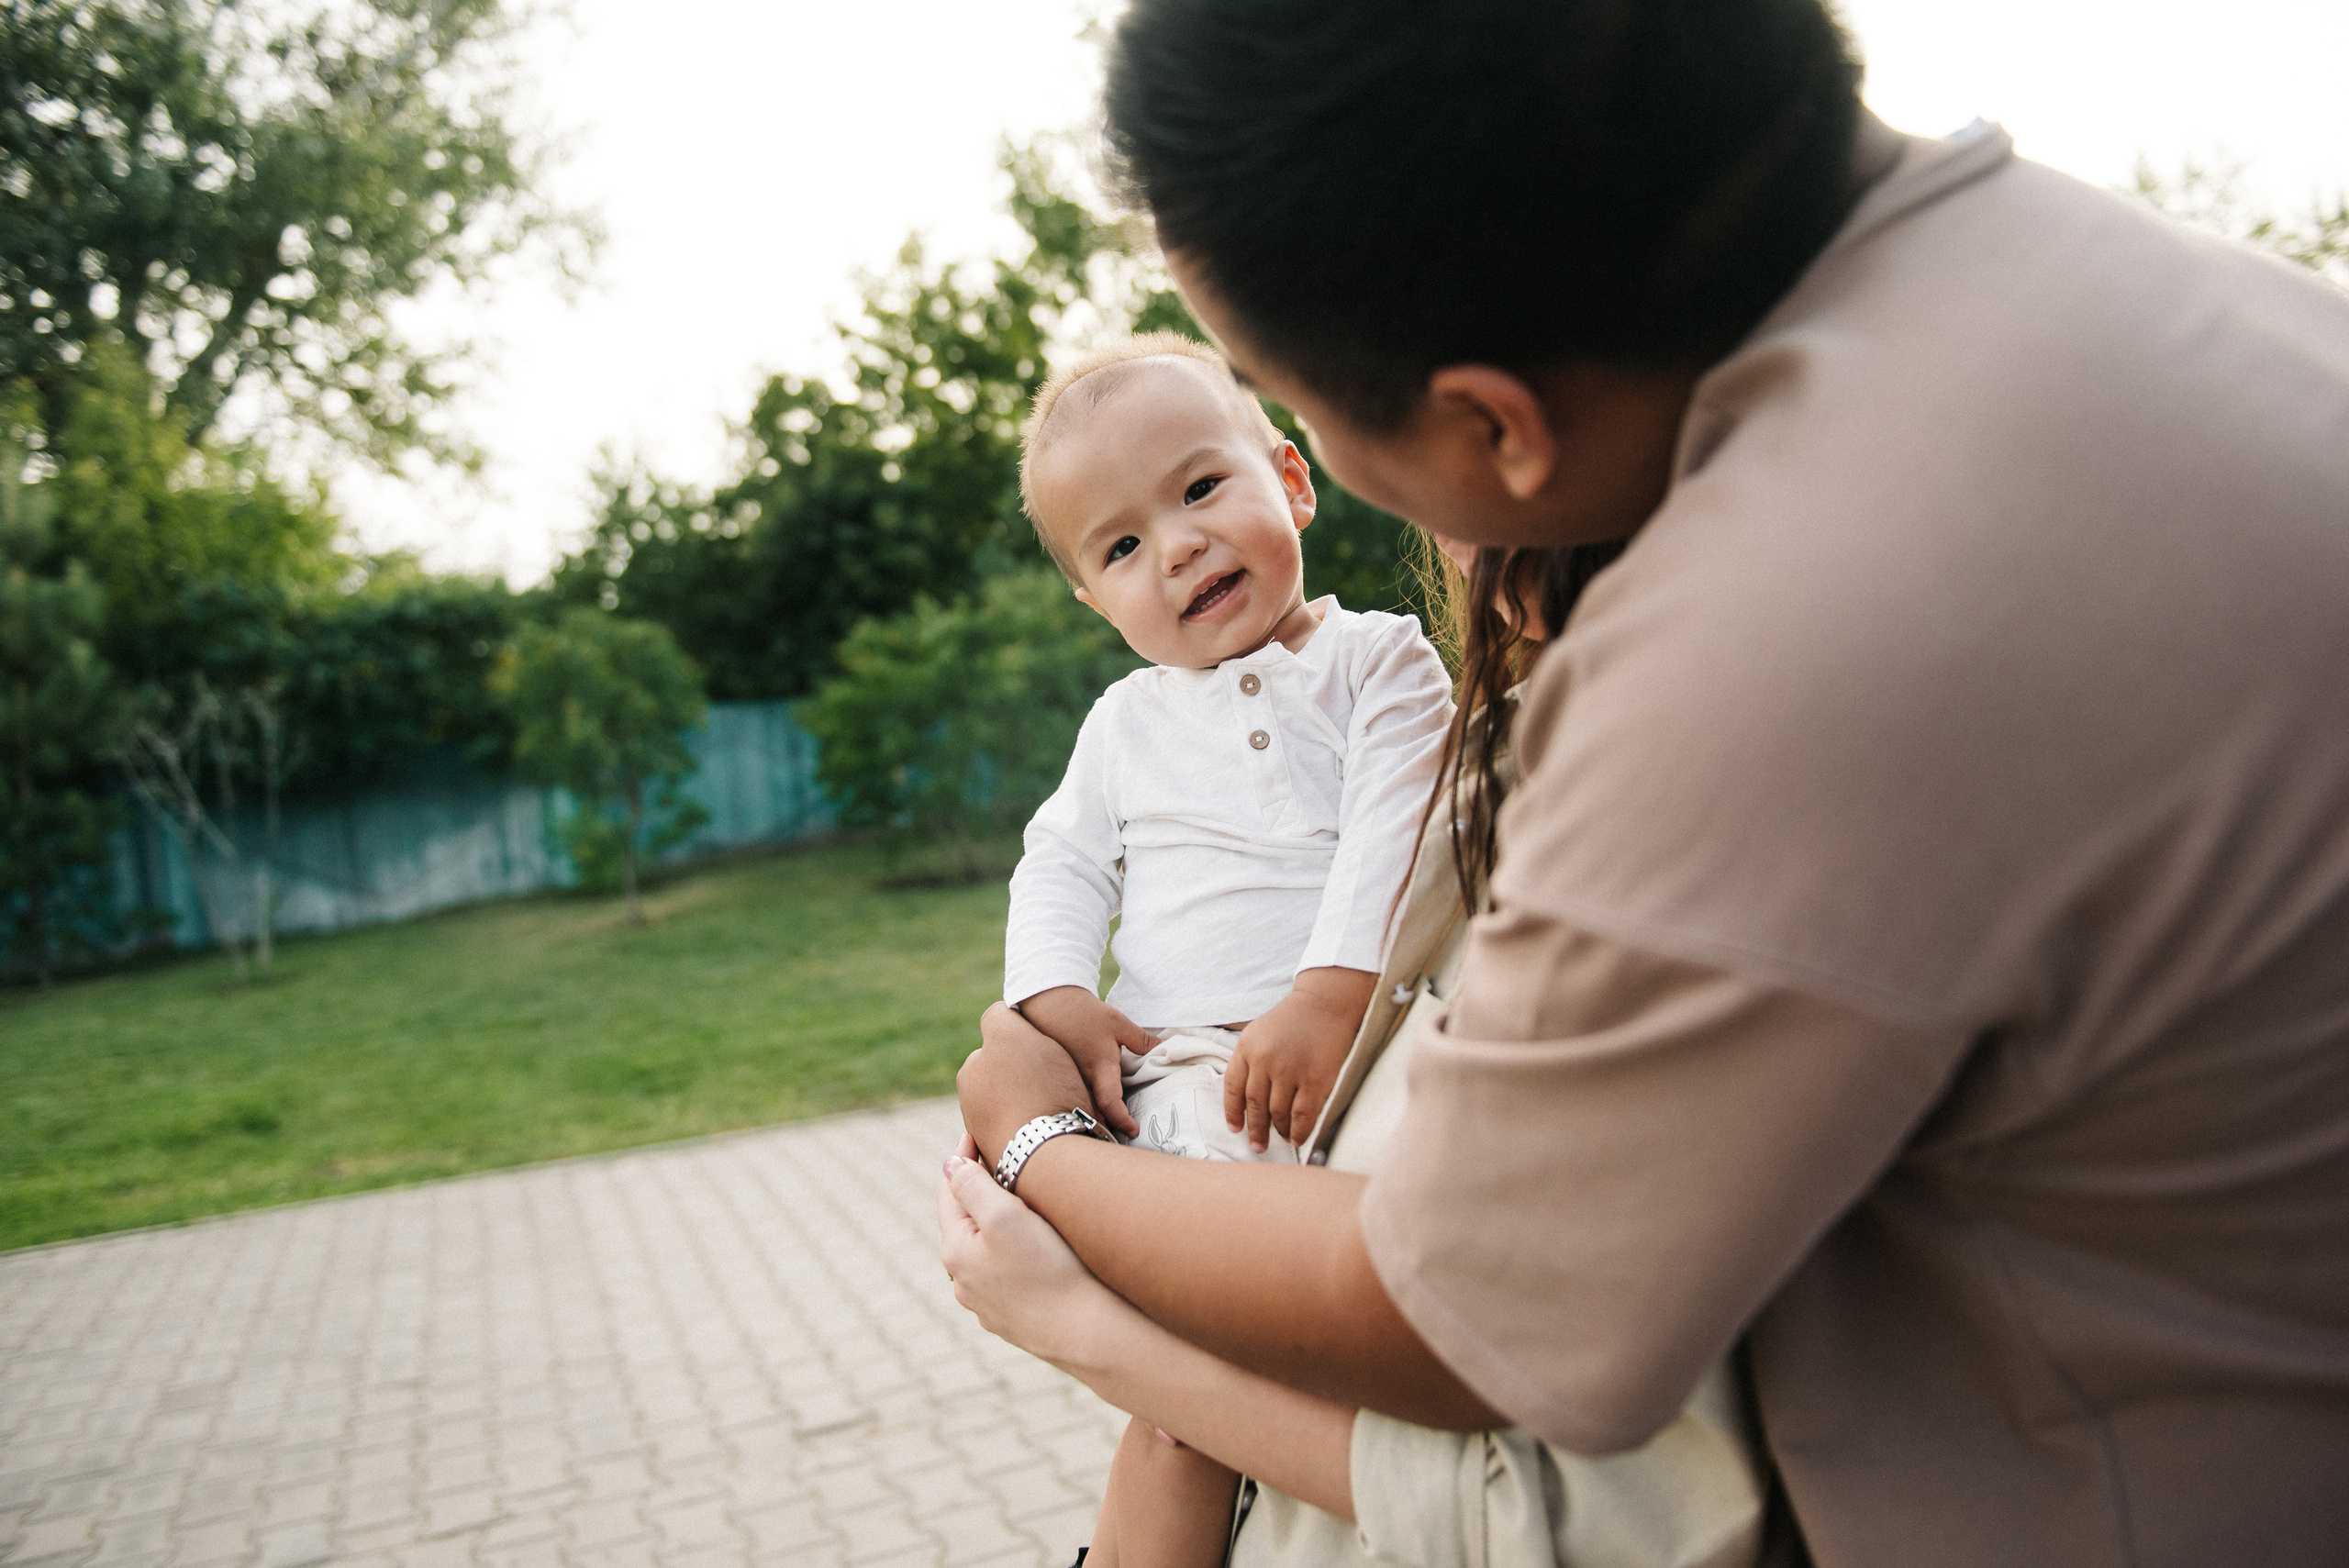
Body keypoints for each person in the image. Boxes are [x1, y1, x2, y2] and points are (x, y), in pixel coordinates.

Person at [945, 1, 2349, 1564]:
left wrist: (1035, 1151)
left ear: (1494, 426)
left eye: (1299, 413)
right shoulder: (2160, 299)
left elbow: (1461, 1311)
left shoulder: (1794, 622)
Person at [1002, 330, 1454, 1563]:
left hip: (1334, 1055)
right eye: (1125, 545)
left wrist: (1324, 997)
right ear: (1098, 602)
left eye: (1202, 489)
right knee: (1178, 1408)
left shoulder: (1380, 663)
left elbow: (1383, 838)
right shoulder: (1122, 726)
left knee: (1234, 1377)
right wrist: (1055, 999)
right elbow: (1062, 862)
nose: (1181, 545)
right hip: (1177, 1077)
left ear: (1291, 481)